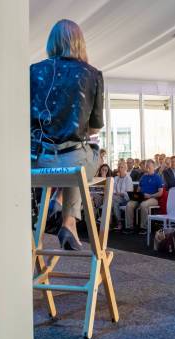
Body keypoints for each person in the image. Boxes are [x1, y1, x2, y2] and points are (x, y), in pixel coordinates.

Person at [31, 19, 103, 250]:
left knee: (71, 164)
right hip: (72, 161)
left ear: (52, 42)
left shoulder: (34, 71)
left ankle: (59, 202)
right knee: (91, 154)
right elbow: (94, 128)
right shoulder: (92, 74)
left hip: (38, 160)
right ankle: (68, 219)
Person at [124, 160, 163, 235]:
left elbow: (160, 193)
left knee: (143, 205)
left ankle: (144, 227)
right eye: (146, 166)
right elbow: (138, 189)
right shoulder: (143, 177)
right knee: (129, 205)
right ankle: (130, 227)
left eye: (149, 166)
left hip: (153, 198)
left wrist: (150, 195)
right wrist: (136, 195)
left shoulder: (157, 177)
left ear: (154, 167)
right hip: (141, 197)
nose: (147, 168)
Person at [111, 162, 134, 230]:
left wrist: (120, 193)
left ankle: (111, 221)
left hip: (125, 198)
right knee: (114, 202)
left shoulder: (128, 178)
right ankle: (118, 223)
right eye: (119, 167)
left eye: (122, 167)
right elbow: (113, 189)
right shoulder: (116, 178)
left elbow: (129, 192)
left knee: (111, 200)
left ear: (125, 169)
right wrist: (116, 193)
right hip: (116, 198)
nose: (120, 169)